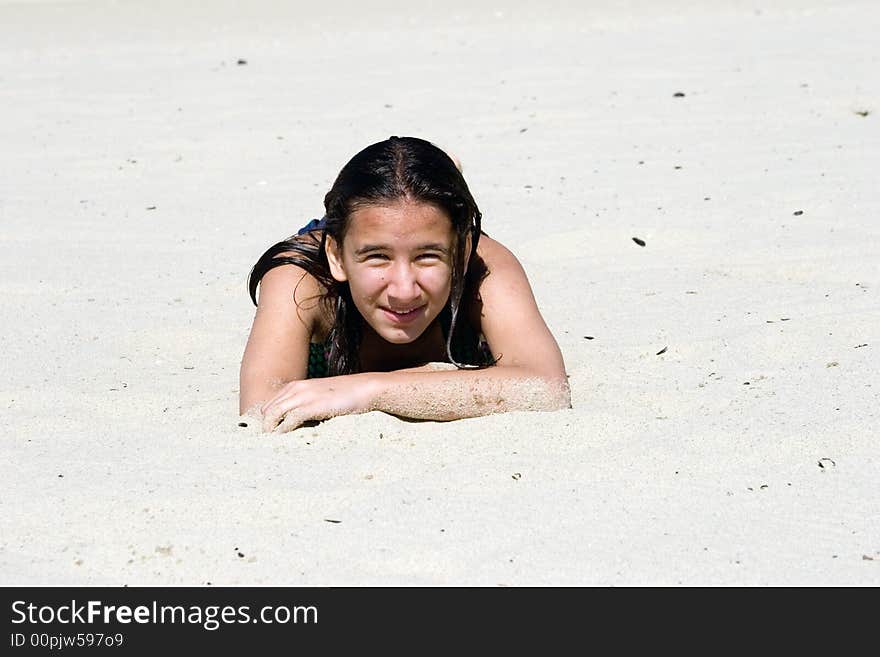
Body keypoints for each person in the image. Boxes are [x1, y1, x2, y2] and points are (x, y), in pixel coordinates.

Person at [240, 136, 570, 432]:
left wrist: (370, 390)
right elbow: (261, 409)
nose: (403, 290)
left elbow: (546, 386)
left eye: (427, 257)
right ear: (337, 258)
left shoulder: (483, 266)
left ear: (461, 255)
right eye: (377, 258)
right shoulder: (302, 280)